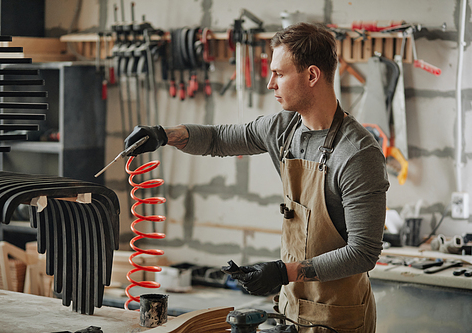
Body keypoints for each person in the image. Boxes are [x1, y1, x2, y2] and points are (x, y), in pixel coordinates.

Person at [124, 22, 389, 333]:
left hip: (340, 317)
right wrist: (162, 135)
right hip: (292, 307)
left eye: (279, 73)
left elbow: (363, 253)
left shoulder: (358, 154)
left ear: (312, 75)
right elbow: (218, 139)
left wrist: (282, 272)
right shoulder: (283, 129)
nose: (269, 83)